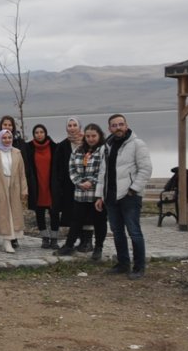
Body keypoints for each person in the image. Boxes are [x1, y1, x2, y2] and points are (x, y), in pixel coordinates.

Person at [96, 114, 152, 279]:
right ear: (109, 129)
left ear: (126, 125)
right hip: (111, 197)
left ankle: (139, 267)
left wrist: (133, 189)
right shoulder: (106, 147)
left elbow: (145, 169)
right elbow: (102, 173)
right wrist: (100, 196)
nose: (118, 127)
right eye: (114, 125)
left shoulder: (137, 144)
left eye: (121, 124)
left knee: (134, 231)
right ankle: (122, 263)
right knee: (117, 232)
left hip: (129, 196)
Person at [58, 124, 108, 261]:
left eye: (94, 136)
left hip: (97, 194)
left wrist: (91, 181)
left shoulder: (103, 150)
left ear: (99, 136)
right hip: (80, 193)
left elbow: (103, 170)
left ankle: (98, 248)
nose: (91, 139)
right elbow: (72, 169)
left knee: (99, 222)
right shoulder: (78, 150)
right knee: (76, 220)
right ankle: (69, 245)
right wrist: (79, 182)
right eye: (88, 136)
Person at [0, 129, 28, 253]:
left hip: (14, 184)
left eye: (9, 138)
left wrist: (24, 190)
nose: (7, 140)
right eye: (4, 138)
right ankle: (6, 240)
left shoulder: (17, 153)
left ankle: (13, 237)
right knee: (3, 213)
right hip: (0, 184)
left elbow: (22, 173)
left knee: (14, 211)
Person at [23, 124, 60, 249]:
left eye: (41, 132)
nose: (39, 135)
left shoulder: (54, 147)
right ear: (34, 135)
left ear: (45, 133)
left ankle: (54, 238)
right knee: (39, 212)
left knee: (54, 212)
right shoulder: (29, 147)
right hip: (37, 185)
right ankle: (44, 238)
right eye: (36, 132)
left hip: (51, 185)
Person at [52, 118, 86, 251]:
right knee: (72, 213)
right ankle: (72, 241)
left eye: (75, 125)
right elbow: (57, 167)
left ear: (79, 127)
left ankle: (85, 241)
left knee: (86, 213)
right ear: (66, 128)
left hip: (86, 184)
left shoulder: (87, 142)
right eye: (69, 126)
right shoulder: (62, 145)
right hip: (68, 186)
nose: (72, 128)